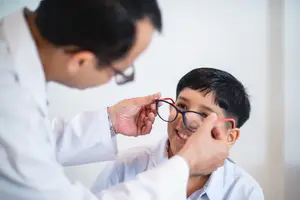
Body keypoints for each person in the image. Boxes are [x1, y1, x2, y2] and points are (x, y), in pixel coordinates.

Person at [0, 0, 229, 200]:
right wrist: (185, 166)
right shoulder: (10, 101)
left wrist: (109, 121)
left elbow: (34, 144)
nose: (186, 120)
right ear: (80, 62)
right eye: (121, 71)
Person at [91, 68, 264, 200]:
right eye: (181, 106)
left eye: (205, 115)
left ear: (230, 137)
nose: (186, 119)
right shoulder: (126, 166)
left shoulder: (244, 190)